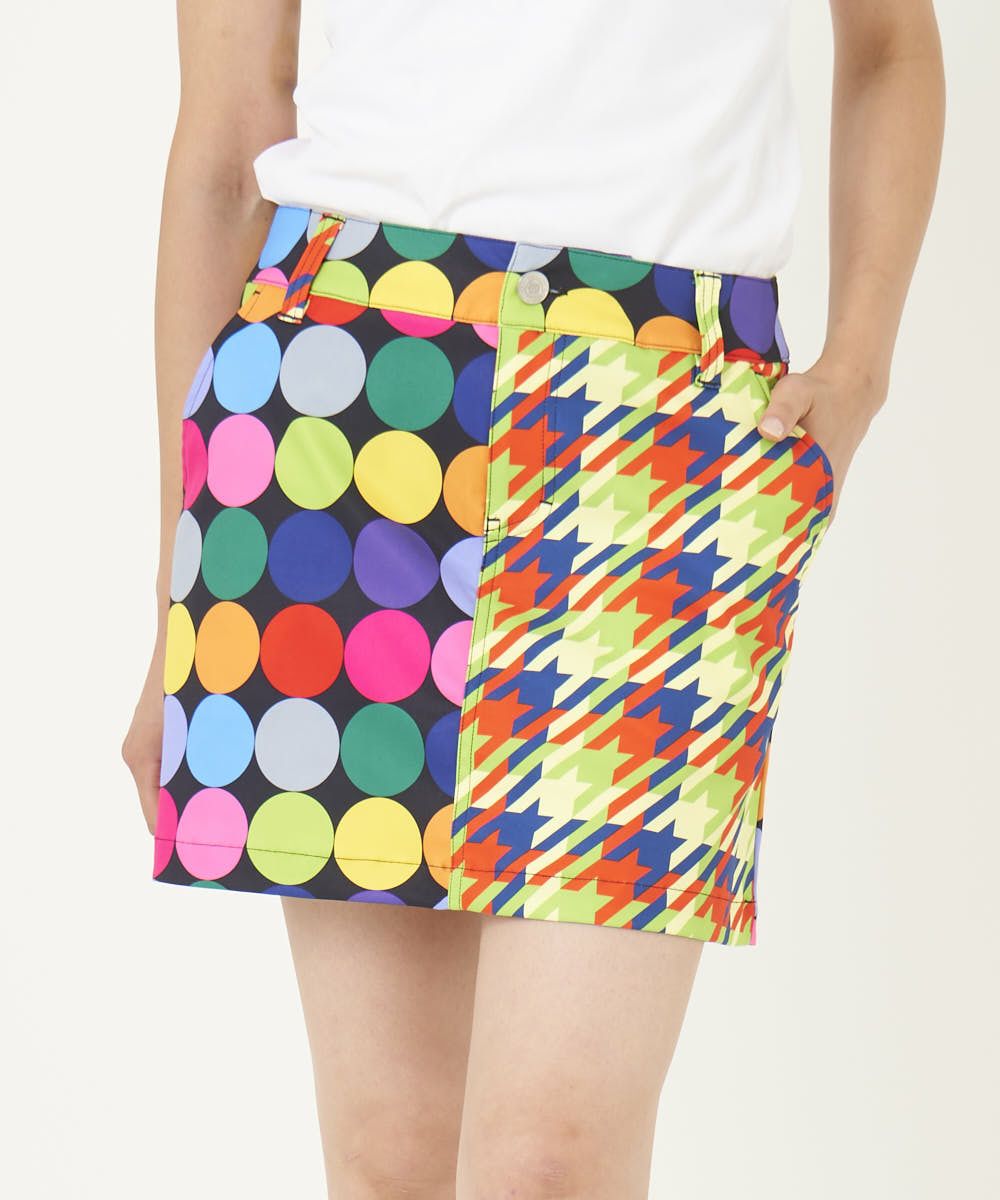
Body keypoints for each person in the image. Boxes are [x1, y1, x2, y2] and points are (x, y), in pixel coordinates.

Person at [122, 2, 944, 1195]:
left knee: (552, 1160)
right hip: (336, 402)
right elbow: (222, 149)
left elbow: (888, 45)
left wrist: (858, 364)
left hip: (666, 419)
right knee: (391, 1156)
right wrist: (170, 608)